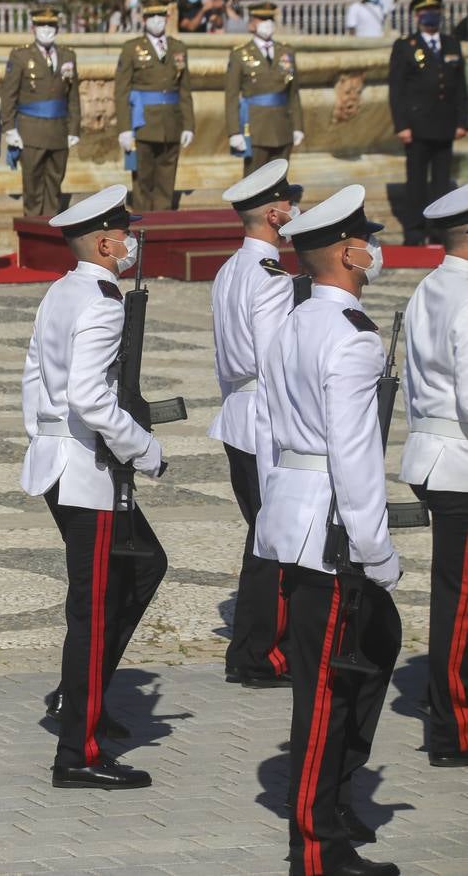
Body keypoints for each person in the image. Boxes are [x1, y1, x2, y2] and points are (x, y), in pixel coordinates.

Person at [258, 185, 402, 876]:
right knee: (323, 691)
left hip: (295, 514)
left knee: (376, 645)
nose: (374, 248)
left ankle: (337, 801)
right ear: (347, 252)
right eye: (366, 239)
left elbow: (270, 430)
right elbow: (356, 457)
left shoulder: (294, 320)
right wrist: (377, 550)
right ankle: (316, 851)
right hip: (334, 531)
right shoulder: (351, 339)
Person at [21, 185, 169, 790]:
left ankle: (82, 698)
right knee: (94, 608)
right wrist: (143, 447)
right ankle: (77, 750)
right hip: (86, 469)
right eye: (125, 234)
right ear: (106, 242)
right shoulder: (103, 300)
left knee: (142, 567)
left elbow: (33, 373)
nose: (131, 242)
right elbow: (90, 395)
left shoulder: (63, 290)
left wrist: (41, 435)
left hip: (60, 459)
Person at [210, 160, 301, 689]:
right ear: (272, 213)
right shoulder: (270, 279)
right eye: (288, 203)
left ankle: (252, 648)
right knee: (273, 542)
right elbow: (274, 363)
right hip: (264, 418)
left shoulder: (229, 269)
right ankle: (260, 654)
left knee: (261, 539)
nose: (293, 210)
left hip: (237, 416)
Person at [399, 183, 468, 768]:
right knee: (459, 600)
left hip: (433, 452)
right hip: (461, 464)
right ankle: (453, 728)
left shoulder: (431, 287)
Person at [389, 0, 468, 245]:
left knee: (442, 183)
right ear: (417, 15)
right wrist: (401, 125)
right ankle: (414, 230)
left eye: (435, 10)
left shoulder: (451, 44)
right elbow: (397, 89)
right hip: (417, 126)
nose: (431, 15)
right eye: (425, 11)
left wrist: (462, 121)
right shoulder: (405, 46)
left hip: (445, 125)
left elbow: (460, 88)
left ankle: (439, 229)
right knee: (417, 182)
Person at [0, 6, 82, 218]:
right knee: (33, 188)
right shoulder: (20, 56)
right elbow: (9, 95)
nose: (46, 29)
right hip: (31, 131)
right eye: (41, 25)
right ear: (32, 28)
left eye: (51, 25)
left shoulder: (68, 55)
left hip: (58, 130)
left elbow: (72, 97)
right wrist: (9, 128)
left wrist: (74, 129)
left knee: (55, 185)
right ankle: (33, 232)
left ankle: (51, 231)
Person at [115, 0, 194, 212]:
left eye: (161, 17)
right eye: (152, 17)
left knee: (167, 180)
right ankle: (144, 227)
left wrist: (189, 124)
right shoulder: (132, 48)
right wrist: (124, 128)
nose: (157, 21)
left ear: (167, 19)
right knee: (143, 180)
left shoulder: (178, 47)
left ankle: (163, 224)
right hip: (143, 123)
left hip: (171, 122)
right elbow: (121, 91)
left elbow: (184, 90)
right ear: (144, 20)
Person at [225, 3, 304, 175]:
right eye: (262, 20)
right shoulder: (240, 54)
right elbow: (231, 96)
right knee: (254, 178)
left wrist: (298, 126)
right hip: (255, 126)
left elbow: (293, 93)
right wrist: (234, 132)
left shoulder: (286, 51)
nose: (267, 24)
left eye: (270, 19)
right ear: (251, 25)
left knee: (279, 179)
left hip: (282, 124)